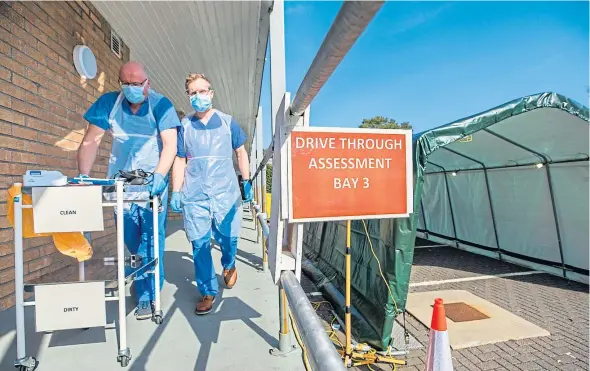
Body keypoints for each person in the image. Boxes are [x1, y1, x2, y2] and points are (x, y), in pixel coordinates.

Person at [77, 61, 181, 320]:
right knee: (131, 240)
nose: (133, 88)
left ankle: (148, 295)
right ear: (120, 83)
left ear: (148, 83)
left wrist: (160, 175)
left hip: (150, 185)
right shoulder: (109, 103)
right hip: (120, 184)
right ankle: (141, 280)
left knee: (152, 239)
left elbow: (170, 145)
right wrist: (83, 177)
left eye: (138, 83)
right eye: (128, 84)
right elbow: (91, 141)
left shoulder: (161, 105)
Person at [170, 73, 253, 315]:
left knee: (229, 238)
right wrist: (176, 191)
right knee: (199, 243)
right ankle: (207, 291)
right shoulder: (184, 126)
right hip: (195, 195)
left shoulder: (228, 123)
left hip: (225, 193)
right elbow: (180, 159)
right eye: (193, 93)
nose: (198, 97)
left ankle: (228, 263)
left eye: (202, 91)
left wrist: (245, 181)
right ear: (188, 96)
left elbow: (241, 153)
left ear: (211, 93)